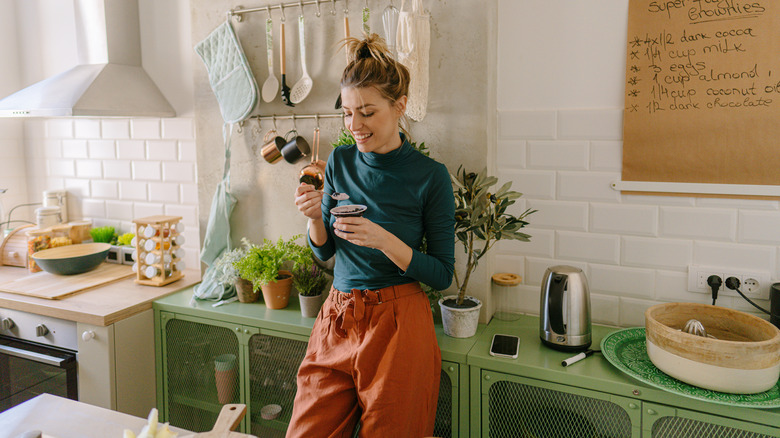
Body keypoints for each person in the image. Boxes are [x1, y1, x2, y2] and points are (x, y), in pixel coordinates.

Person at [289, 33, 455, 438]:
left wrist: (383, 239)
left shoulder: (430, 177)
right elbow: (324, 252)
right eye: (347, 113)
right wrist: (314, 219)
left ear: (399, 107)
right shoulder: (340, 162)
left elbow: (442, 274)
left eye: (366, 112)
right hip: (338, 317)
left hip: (399, 324)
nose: (355, 126)